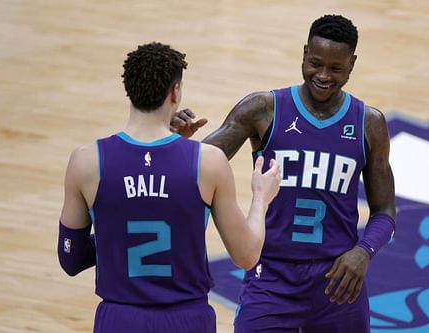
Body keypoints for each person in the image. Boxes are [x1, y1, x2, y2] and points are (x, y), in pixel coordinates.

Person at [174, 14, 396, 333]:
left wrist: (365, 251)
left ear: (352, 63)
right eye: (315, 63)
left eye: (335, 68)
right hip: (272, 278)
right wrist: (176, 143)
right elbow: (193, 172)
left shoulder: (369, 123)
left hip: (339, 283)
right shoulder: (262, 109)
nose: (322, 75)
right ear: (304, 52)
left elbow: (386, 212)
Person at [57, 42, 280, 333]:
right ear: (175, 92)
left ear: (129, 89)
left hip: (119, 319)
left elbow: (71, 258)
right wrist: (261, 197)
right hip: (186, 319)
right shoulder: (207, 162)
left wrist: (118, 233)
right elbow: (246, 255)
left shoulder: (86, 162)